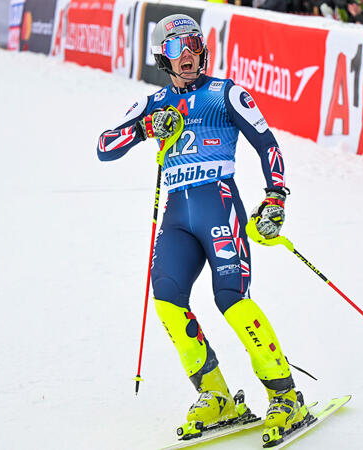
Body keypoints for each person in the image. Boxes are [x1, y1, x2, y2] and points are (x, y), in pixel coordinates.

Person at [96, 14, 308, 446]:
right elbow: (104, 146)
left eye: (192, 43)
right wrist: (143, 129)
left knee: (230, 299)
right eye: (176, 47)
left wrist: (276, 197)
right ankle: (216, 394)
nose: (187, 53)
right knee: (167, 299)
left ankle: (285, 397)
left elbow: (267, 143)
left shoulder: (225, 93)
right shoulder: (154, 102)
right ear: (162, 56)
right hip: (177, 218)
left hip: (220, 208)